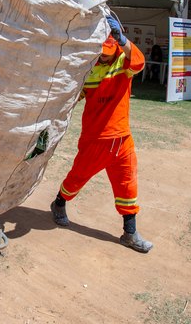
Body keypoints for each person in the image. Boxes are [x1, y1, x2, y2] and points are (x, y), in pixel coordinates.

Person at [50, 15, 153, 253]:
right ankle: (59, 203)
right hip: (96, 139)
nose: (104, 54)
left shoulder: (124, 63)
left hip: (122, 138)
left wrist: (123, 40)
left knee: (127, 184)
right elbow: (77, 95)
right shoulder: (91, 68)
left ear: (116, 45)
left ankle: (130, 233)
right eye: (101, 49)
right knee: (77, 177)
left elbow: (138, 61)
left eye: (108, 49)